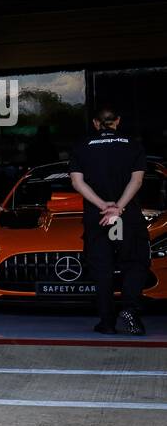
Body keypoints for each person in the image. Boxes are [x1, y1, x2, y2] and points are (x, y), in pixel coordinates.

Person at [68, 105, 149, 336]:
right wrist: (118, 208)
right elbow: (137, 182)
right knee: (135, 263)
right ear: (118, 121)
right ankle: (130, 310)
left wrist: (103, 206)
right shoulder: (133, 145)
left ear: (96, 123)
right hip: (126, 217)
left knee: (102, 268)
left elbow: (77, 183)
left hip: (98, 218)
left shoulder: (81, 146)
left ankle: (106, 322)